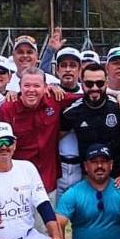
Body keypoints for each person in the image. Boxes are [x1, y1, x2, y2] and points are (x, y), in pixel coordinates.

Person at [0, 67, 81, 239]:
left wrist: (119, 95)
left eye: (36, 85)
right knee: (19, 229)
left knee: (45, 230)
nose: (31, 90)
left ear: (45, 87)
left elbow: (85, 96)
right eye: (27, 86)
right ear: (18, 87)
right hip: (16, 181)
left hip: (46, 177)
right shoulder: (7, 108)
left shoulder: (55, 101)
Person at [61, 63, 120, 179]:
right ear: (82, 84)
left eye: (100, 83)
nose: (94, 88)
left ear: (107, 82)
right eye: (89, 84)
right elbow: (51, 139)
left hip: (119, 179)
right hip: (88, 180)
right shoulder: (72, 112)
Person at [54, 47, 84, 198]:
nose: (68, 69)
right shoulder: (48, 94)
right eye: (63, 65)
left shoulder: (87, 95)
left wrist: (117, 94)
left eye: (72, 65)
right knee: (55, 218)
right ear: (57, 70)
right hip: (57, 166)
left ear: (80, 70)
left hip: (82, 166)